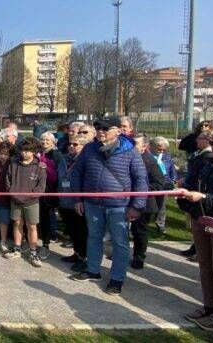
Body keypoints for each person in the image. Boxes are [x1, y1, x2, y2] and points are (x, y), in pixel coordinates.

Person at [69, 116, 147, 296]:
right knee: (94, 237)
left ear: (118, 131)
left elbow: (141, 179)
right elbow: (77, 174)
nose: (101, 132)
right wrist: (78, 199)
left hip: (119, 205)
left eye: (105, 128)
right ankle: (93, 270)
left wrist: (137, 205)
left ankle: (117, 278)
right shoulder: (89, 149)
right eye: (98, 128)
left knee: (120, 242)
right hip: (93, 204)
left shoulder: (130, 151)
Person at [178, 130, 213, 331]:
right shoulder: (208, 163)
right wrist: (185, 192)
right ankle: (208, 308)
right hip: (202, 220)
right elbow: (195, 185)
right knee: (205, 267)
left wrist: (203, 198)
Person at [3, 139, 47, 267]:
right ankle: (17, 249)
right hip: (15, 200)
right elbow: (8, 181)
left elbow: (41, 188)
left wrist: (30, 197)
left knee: (31, 226)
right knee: (17, 224)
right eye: (22, 150)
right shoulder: (13, 164)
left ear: (34, 152)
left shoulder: (39, 167)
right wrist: (13, 193)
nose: (24, 153)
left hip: (32, 202)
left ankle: (33, 252)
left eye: (27, 151)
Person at [130, 134, 166, 270]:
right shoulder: (129, 158)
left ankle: (139, 257)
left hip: (144, 204)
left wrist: (139, 188)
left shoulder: (149, 161)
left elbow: (159, 183)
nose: (132, 147)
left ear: (144, 147)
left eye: (136, 144)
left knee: (139, 231)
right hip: (127, 201)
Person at [180, 130, 213, 259]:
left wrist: (188, 186)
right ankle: (196, 249)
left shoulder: (207, 156)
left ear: (206, 140)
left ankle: (199, 251)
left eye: (199, 138)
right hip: (194, 193)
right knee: (197, 225)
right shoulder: (202, 154)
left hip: (199, 196)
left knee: (202, 225)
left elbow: (199, 177)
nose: (196, 141)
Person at [57, 135, 90, 272]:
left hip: (78, 203)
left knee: (81, 232)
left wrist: (80, 200)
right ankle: (76, 254)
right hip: (64, 201)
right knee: (71, 230)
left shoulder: (85, 161)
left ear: (83, 146)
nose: (71, 146)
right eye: (70, 144)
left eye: (75, 144)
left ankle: (83, 258)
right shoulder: (64, 159)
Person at [149, 136, 177, 233]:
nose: (161, 151)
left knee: (162, 204)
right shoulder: (146, 156)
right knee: (149, 203)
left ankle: (160, 224)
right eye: (159, 149)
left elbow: (171, 168)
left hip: (164, 183)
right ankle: (144, 220)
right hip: (151, 183)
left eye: (163, 150)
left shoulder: (167, 155)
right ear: (151, 146)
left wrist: (173, 179)